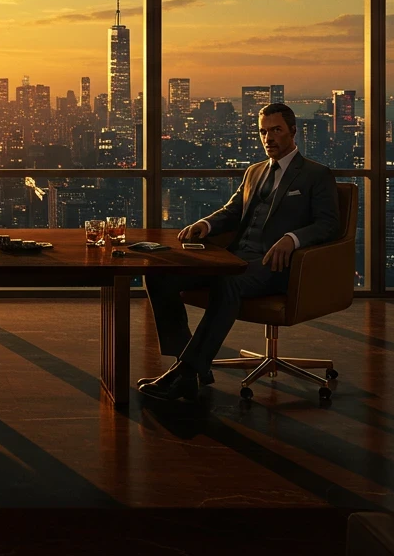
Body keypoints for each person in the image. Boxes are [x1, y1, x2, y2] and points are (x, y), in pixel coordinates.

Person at [139, 102, 340, 401]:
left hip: (277, 265)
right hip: (235, 257)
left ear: (293, 131)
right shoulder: (254, 171)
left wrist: (292, 239)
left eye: (276, 130)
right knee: (160, 276)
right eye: (263, 131)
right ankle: (189, 364)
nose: (268, 138)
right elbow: (233, 211)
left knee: (227, 283)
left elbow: (329, 224)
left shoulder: (316, 174)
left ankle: (186, 373)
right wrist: (206, 224)